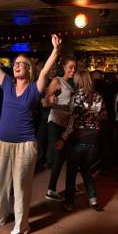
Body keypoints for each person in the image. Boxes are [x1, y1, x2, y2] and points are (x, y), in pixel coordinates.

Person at [0, 25, 61, 234]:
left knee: (21, 186)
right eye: (15, 63)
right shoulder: (7, 84)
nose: (17, 66)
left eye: (22, 63)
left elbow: (46, 71)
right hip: (1, 141)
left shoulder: (34, 88)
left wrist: (55, 51)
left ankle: (21, 226)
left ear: (29, 69)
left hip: (25, 144)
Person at [56, 70, 106, 212]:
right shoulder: (98, 97)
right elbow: (103, 116)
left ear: (79, 81)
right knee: (86, 169)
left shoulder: (77, 97)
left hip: (78, 137)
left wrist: (63, 138)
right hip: (94, 138)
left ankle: (69, 202)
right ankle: (93, 200)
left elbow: (72, 121)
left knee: (72, 171)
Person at [44, 56, 77, 202]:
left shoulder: (71, 84)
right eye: (70, 67)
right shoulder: (57, 81)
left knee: (65, 156)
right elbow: (45, 102)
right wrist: (53, 102)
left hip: (65, 125)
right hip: (55, 122)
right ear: (63, 67)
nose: (73, 70)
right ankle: (50, 190)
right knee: (58, 155)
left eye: (75, 68)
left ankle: (70, 186)